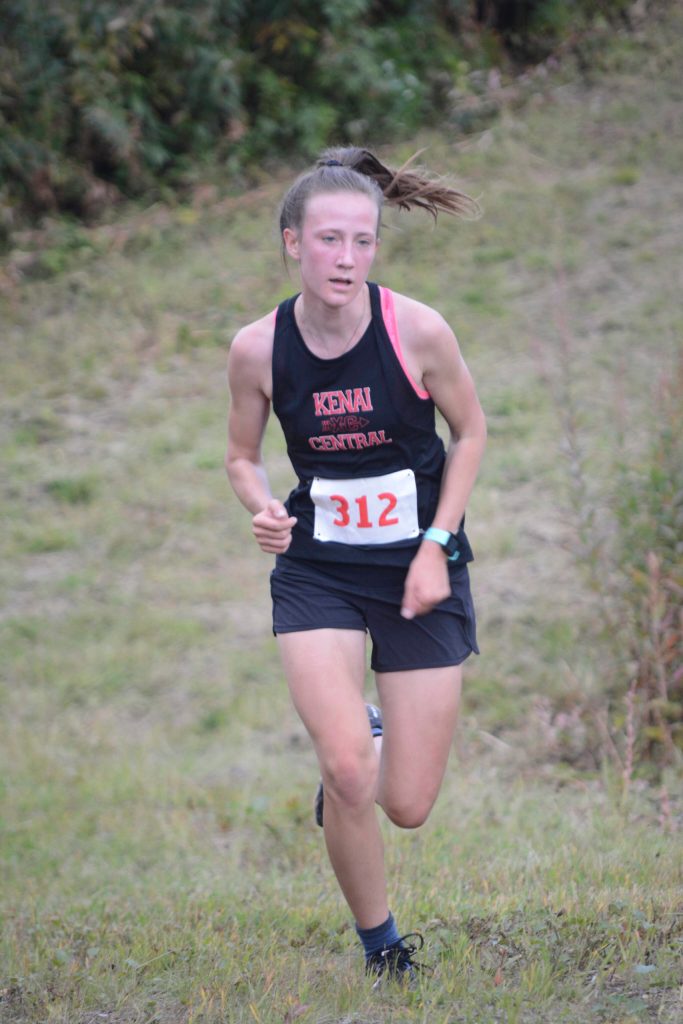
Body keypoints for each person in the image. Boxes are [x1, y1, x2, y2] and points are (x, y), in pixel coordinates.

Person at [225, 146, 487, 986]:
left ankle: (366, 739)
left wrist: (436, 545)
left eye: (362, 241)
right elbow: (239, 455)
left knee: (405, 804)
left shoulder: (416, 330)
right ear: (291, 243)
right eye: (329, 239)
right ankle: (383, 950)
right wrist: (261, 504)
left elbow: (471, 433)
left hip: (417, 570)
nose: (346, 258)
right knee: (345, 773)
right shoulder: (257, 347)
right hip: (319, 569)